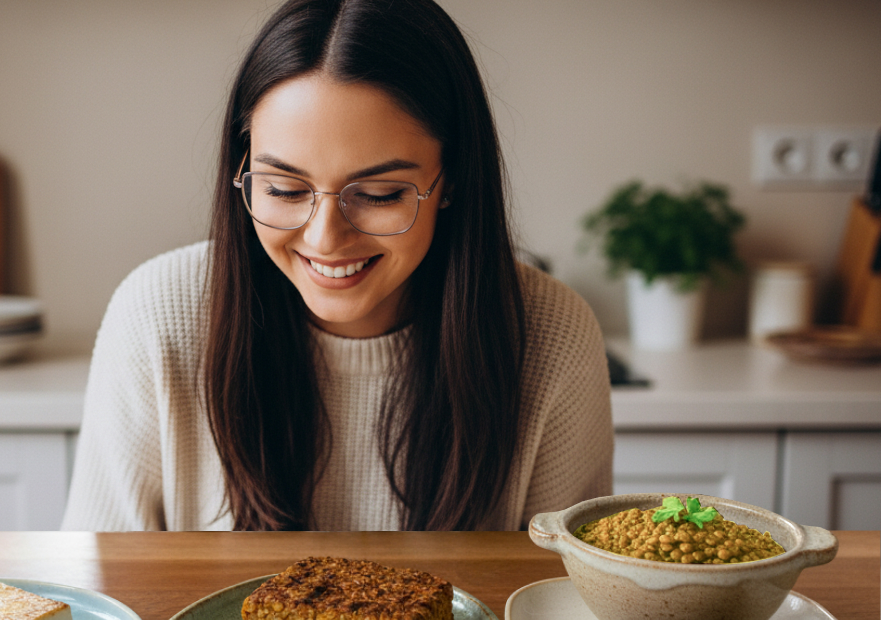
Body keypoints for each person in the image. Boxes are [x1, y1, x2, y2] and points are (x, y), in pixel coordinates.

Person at [61, 0, 613, 531]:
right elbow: (101, 587)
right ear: (242, 168)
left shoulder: (551, 332)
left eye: (377, 194)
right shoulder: (157, 312)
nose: (325, 238)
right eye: (283, 188)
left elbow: (567, 596)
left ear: (453, 181)